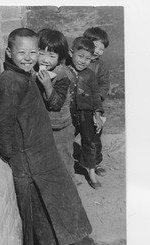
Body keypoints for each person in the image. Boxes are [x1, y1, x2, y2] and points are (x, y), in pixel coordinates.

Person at [0, 28, 96, 245]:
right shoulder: (10, 80)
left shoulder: (25, 74)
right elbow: (4, 120)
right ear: (9, 52)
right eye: (22, 52)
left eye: (33, 52)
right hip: (28, 155)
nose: (29, 57)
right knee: (40, 203)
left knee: (61, 195)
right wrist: (8, 154)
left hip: (42, 150)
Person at [36, 29, 75, 179]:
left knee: (63, 161)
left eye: (51, 56)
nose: (45, 60)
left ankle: (69, 195)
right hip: (42, 125)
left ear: (60, 58)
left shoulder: (63, 75)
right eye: (41, 53)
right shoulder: (35, 69)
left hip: (60, 127)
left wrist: (47, 85)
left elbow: (56, 104)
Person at [68, 36, 105, 189]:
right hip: (68, 114)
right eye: (80, 56)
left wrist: (97, 113)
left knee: (89, 142)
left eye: (88, 59)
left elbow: (96, 96)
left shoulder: (89, 75)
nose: (83, 61)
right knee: (65, 143)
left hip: (86, 114)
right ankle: (68, 172)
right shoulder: (65, 70)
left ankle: (91, 172)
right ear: (71, 53)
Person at [83, 27, 110, 176]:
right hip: (75, 105)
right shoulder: (77, 58)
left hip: (93, 106)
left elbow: (104, 85)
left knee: (95, 136)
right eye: (96, 46)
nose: (98, 51)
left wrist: (97, 99)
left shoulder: (101, 66)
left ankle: (95, 162)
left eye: (102, 48)